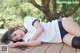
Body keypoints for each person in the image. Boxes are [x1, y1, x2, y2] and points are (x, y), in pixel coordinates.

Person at [1, 16, 80, 49]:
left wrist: (31, 40)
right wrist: (17, 44)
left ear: (14, 28)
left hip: (61, 25)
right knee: (77, 43)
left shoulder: (27, 21)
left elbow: (40, 29)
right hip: (61, 37)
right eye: (17, 39)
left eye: (15, 34)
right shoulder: (25, 39)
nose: (18, 37)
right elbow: (38, 42)